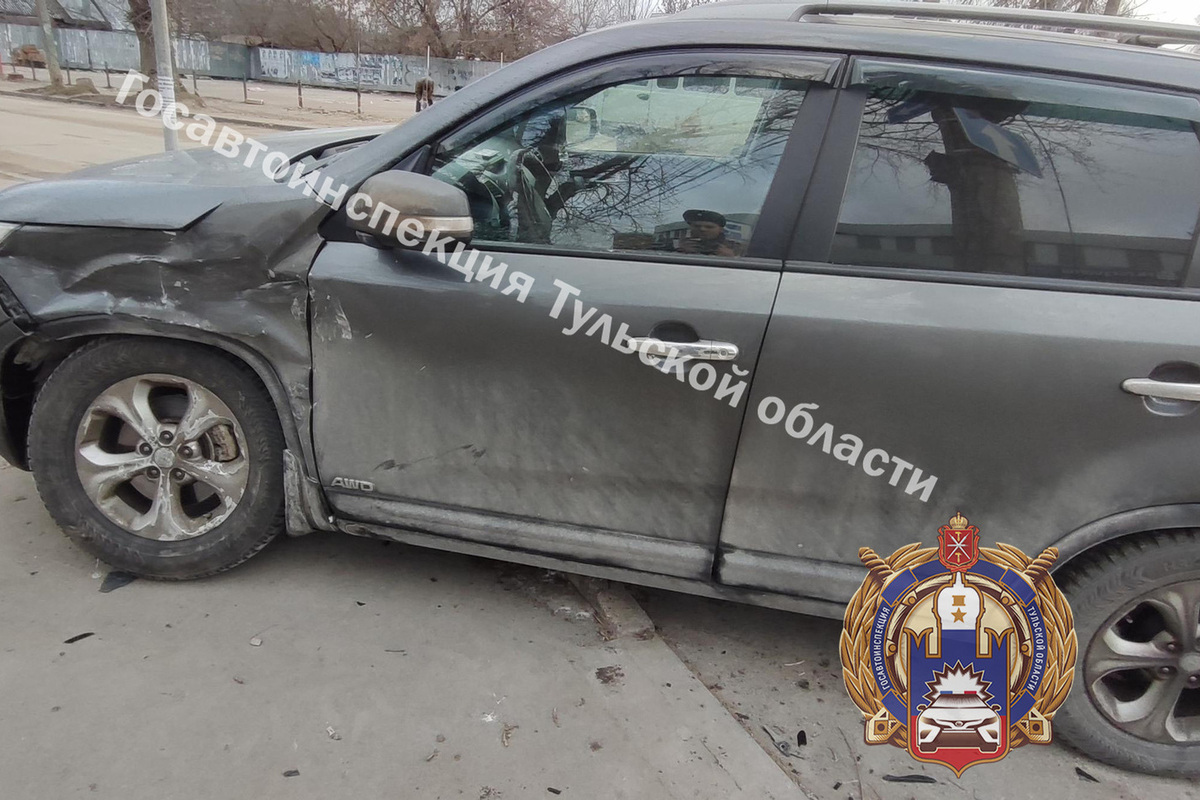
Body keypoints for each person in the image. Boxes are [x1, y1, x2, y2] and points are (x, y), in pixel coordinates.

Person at [674, 209, 742, 257]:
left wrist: (730, 257)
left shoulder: (737, 248)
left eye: (709, 227)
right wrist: (681, 252)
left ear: (721, 229)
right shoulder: (675, 244)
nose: (702, 229)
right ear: (690, 227)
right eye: (697, 226)